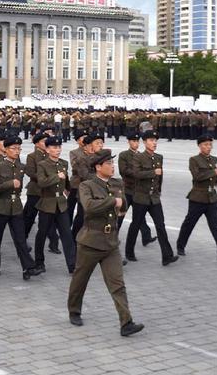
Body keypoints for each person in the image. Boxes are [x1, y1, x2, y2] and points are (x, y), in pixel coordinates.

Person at [67, 149, 144, 336]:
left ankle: (126, 322)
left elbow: (123, 204)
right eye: (108, 164)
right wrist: (113, 202)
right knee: (80, 280)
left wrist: (121, 205)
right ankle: (74, 310)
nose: (112, 167)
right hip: (90, 242)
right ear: (98, 167)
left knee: (117, 283)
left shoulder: (117, 183)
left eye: (112, 163)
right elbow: (90, 207)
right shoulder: (87, 185)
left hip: (110, 243)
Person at [0, 136, 42, 280]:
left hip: (16, 207)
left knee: (20, 239)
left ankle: (28, 268)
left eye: (19, 148)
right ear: (5, 150)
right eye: (13, 148)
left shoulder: (21, 167)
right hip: (1, 206)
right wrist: (9, 184)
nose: (17, 151)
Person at [176, 135, 217, 261]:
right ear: (199, 146)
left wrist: (215, 179)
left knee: (216, 225)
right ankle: (180, 246)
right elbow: (197, 176)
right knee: (189, 223)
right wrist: (213, 173)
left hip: (212, 197)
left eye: (210, 144)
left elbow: (214, 177)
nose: (208, 147)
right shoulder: (194, 160)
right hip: (198, 197)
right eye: (205, 144)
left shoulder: (214, 159)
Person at [125, 130, 178, 266]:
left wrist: (159, 190)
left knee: (160, 226)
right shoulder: (138, 157)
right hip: (141, 197)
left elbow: (160, 177)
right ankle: (129, 252)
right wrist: (152, 172)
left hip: (154, 198)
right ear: (144, 142)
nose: (154, 143)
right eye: (151, 140)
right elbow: (136, 174)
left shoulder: (159, 157)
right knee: (135, 225)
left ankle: (167, 256)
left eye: (155, 141)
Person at [35, 136, 76, 273]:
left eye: (59, 147)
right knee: (42, 234)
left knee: (67, 235)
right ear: (47, 149)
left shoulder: (63, 163)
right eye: (53, 147)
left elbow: (67, 181)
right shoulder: (42, 165)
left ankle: (72, 264)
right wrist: (56, 177)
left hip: (61, 204)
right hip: (47, 203)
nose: (57, 150)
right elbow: (41, 182)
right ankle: (39, 262)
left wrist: (70, 190)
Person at [116, 133, 155, 245]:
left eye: (137, 141)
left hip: (138, 190)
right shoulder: (124, 155)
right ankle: (112, 237)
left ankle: (146, 236)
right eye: (133, 141)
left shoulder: (142, 155)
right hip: (127, 189)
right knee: (121, 215)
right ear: (129, 142)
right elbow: (123, 170)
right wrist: (138, 174)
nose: (136, 144)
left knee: (140, 215)